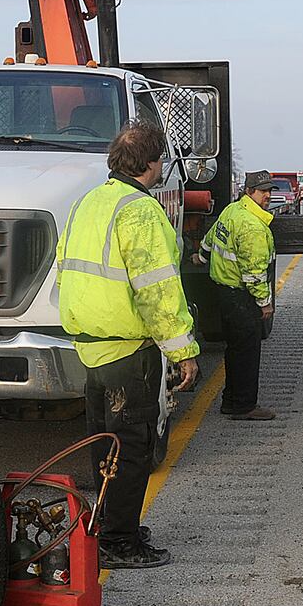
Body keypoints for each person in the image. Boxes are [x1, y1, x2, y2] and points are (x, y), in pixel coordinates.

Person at [56, 121, 199, 569]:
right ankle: (120, 541)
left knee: (105, 444)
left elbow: (63, 266)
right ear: (154, 163)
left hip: (91, 346)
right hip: (127, 349)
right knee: (132, 447)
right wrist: (183, 350)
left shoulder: (89, 202)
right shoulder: (139, 210)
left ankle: (110, 525)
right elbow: (157, 290)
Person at [196, 170, 277, 421]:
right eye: (263, 191)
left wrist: (200, 257)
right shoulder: (252, 226)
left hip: (225, 293)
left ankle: (230, 401)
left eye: (270, 191)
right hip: (242, 298)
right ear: (249, 191)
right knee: (247, 353)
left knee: (234, 350)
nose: (268, 196)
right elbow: (254, 273)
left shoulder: (232, 211)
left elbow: (210, 240)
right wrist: (265, 303)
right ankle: (243, 406)